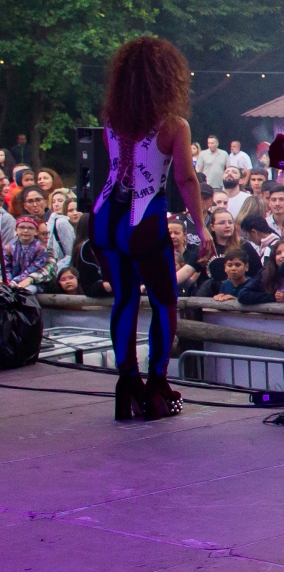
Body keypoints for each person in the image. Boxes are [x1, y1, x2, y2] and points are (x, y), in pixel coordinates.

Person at [91, 37, 205, 421]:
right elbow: (186, 179)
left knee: (124, 300)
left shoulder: (111, 118)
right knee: (163, 302)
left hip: (105, 217)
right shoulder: (174, 125)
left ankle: (127, 385)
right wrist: (200, 228)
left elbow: (114, 167)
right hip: (144, 217)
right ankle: (157, 384)